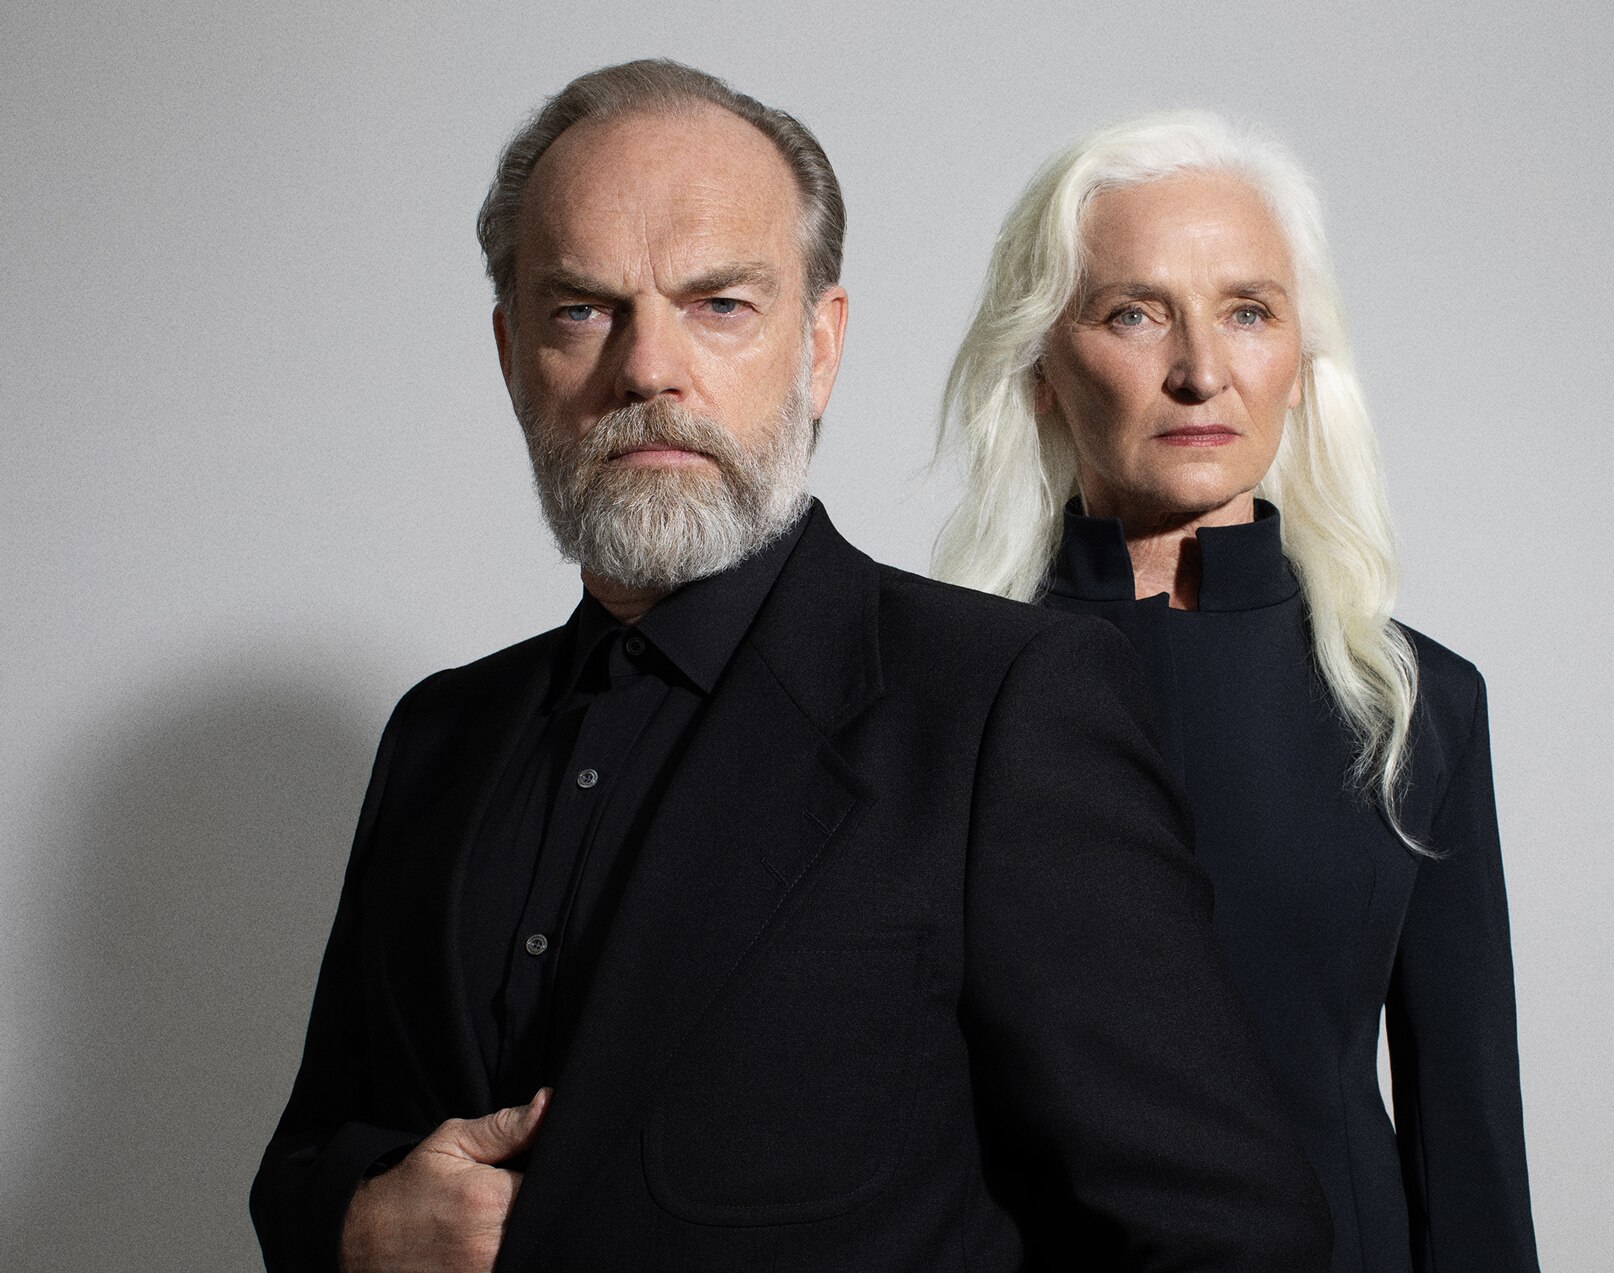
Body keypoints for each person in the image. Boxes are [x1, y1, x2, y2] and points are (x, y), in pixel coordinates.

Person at [250, 62, 1332, 1273]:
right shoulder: (438, 735)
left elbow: (1230, 1237)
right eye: (582, 310)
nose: (649, 368)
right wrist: (357, 1223)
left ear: (820, 347)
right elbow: (304, 1158)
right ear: (513, 355)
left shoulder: (1001, 709)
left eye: (718, 304)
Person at [935, 111, 1540, 1273]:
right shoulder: (937, 691)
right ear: (1042, 367)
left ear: (1302, 363)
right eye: (1133, 311)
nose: (1201, 369)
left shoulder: (1420, 705)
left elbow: (1469, 1152)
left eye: (1248, 311)